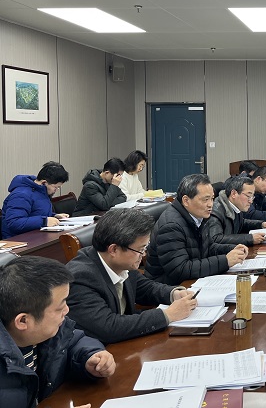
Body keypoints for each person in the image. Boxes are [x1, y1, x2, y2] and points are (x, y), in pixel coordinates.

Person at [66, 208, 199, 344]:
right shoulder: (80, 278)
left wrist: (173, 294)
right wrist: (168, 315)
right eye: (140, 249)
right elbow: (108, 327)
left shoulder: (121, 263)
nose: (144, 254)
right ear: (114, 249)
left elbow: (145, 288)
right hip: (100, 351)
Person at [0, 256, 116, 408]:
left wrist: (90, 356)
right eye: (59, 308)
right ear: (23, 321)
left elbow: (74, 340)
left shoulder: (46, 331)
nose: (67, 310)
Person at [144, 174, 249, 285]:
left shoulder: (198, 216)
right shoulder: (171, 226)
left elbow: (208, 247)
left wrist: (231, 249)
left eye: (212, 199)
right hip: (169, 287)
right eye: (205, 200)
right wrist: (226, 261)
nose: (210, 205)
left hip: (191, 280)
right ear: (186, 200)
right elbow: (180, 269)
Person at [2, 161, 70, 239]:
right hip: (17, 240)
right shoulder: (21, 195)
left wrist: (54, 216)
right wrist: (44, 221)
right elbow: (14, 223)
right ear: (44, 182)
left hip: (36, 236)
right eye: (55, 187)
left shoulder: (41, 192)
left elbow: (35, 212)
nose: (56, 190)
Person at [210, 176, 266, 246]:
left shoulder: (235, 206)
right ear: (234, 194)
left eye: (252, 197)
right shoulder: (215, 211)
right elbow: (216, 239)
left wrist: (261, 224)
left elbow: (241, 223)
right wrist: (249, 238)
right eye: (248, 196)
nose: (251, 201)